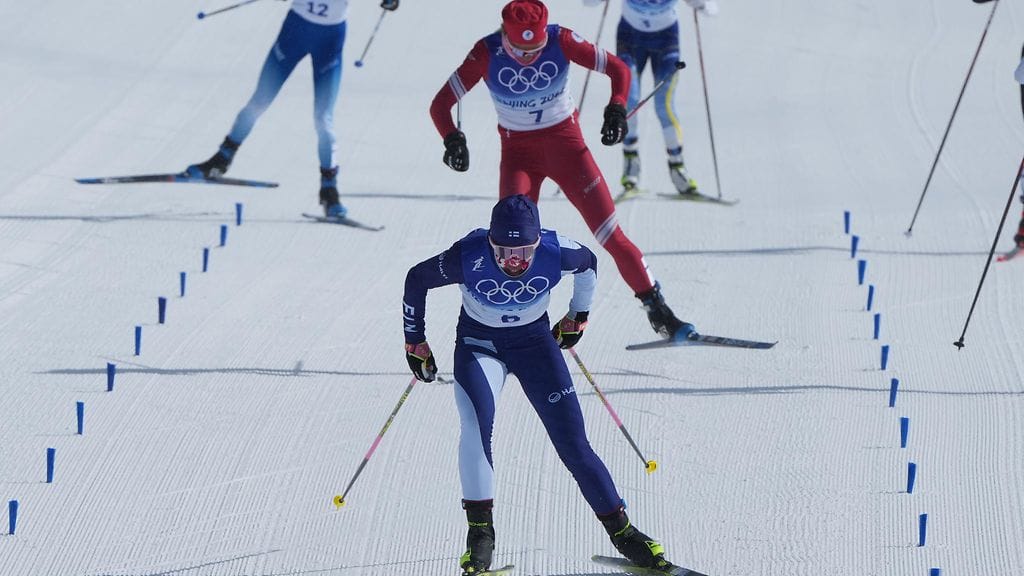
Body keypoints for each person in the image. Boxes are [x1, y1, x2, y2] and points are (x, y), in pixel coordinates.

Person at [402, 195, 679, 576]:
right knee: (475, 428)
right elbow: (417, 279)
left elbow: (590, 265)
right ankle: (480, 537)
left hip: (536, 346)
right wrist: (414, 341)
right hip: (480, 346)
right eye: (502, 251)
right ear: (489, 242)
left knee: (573, 442)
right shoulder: (466, 255)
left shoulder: (556, 250)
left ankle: (624, 532)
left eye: (523, 251)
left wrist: (576, 316)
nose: (513, 260)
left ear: (537, 242)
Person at [429, 0, 695, 341]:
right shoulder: (487, 52)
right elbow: (440, 104)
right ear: (505, 37)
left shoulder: (561, 40)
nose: (529, 58)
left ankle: (661, 313)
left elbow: (619, 70)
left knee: (612, 236)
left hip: (567, 150)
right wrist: (452, 139)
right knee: (511, 245)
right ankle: (503, 332)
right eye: (520, 51)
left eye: (536, 48)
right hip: (518, 157)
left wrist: (616, 108)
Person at [185, 0, 400, 218]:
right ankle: (222, 159)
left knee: (323, 119)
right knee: (259, 101)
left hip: (329, 40)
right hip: (295, 32)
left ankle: (329, 189)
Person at [584, 0, 717, 195]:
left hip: (666, 39)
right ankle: (631, 164)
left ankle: (677, 166)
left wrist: (702, 5)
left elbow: (712, 9)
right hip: (630, 37)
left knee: (664, 104)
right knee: (629, 99)